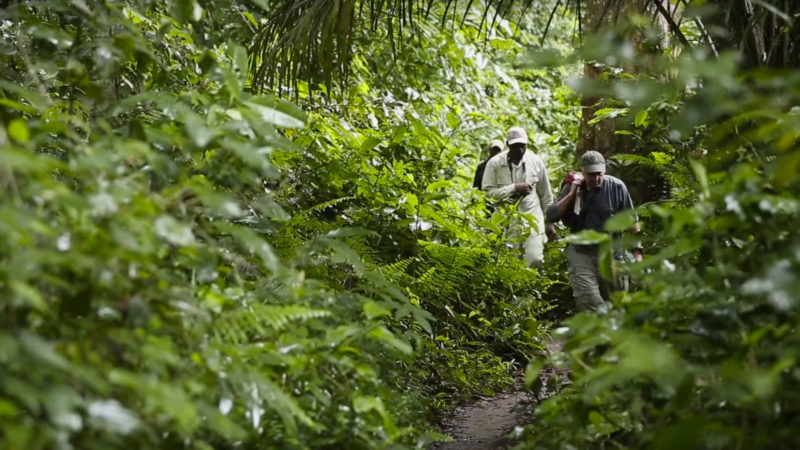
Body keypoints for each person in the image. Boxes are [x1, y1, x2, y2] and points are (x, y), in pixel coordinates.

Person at [546, 150, 643, 312]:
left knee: (617, 303)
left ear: (604, 171)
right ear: (583, 173)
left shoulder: (617, 187)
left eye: (599, 174)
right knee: (589, 299)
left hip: (612, 254)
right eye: (591, 175)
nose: (596, 178)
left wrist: (638, 252)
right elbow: (551, 215)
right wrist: (571, 194)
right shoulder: (573, 186)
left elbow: (632, 222)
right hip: (581, 253)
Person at [481, 127, 554, 266]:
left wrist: (550, 222)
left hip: (532, 218)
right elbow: (488, 194)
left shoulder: (536, 162)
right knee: (509, 263)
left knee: (535, 260)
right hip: (506, 221)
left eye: (522, 146)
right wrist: (513, 188)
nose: (520, 149)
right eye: (515, 146)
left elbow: (546, 195)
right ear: (508, 145)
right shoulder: (495, 163)